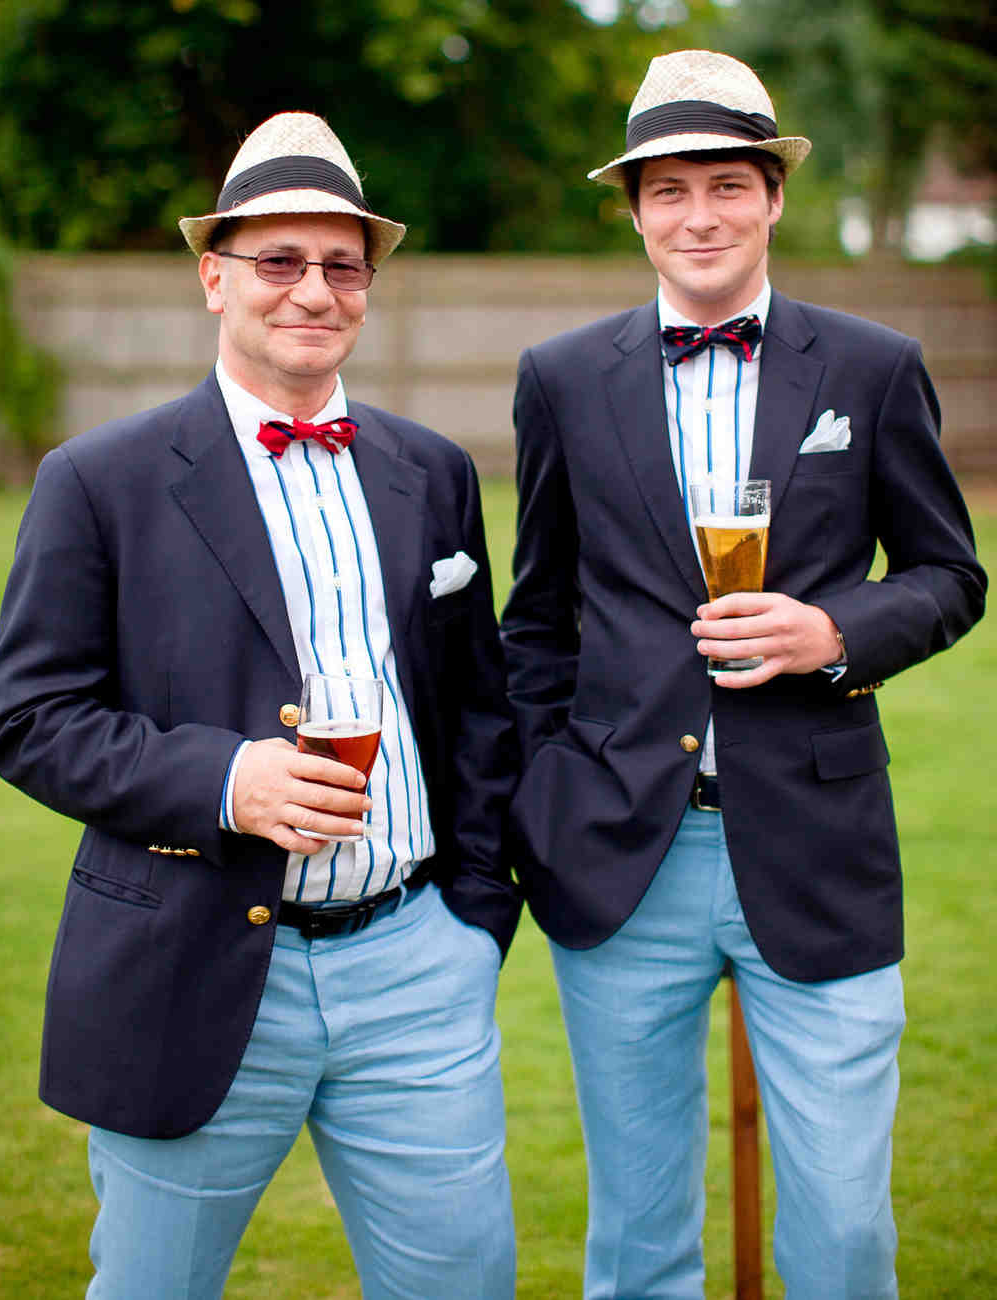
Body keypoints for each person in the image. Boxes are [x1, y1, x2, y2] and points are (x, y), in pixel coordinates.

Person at [0, 111, 521, 1300]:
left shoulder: (431, 472)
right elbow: (27, 717)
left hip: (412, 968)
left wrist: (472, 920)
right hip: (191, 958)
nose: (312, 291)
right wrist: (228, 779)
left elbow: (480, 710)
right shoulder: (98, 480)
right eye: (279, 260)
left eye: (341, 265)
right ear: (214, 276)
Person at [500, 48, 986, 1300]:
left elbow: (947, 575)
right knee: (637, 1237)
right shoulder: (559, 378)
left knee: (839, 1230)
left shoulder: (871, 367)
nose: (698, 215)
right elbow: (537, 617)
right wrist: (551, 792)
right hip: (620, 854)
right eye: (667, 190)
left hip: (816, 842)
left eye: (726, 183)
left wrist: (832, 634)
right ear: (633, 210)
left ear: (772, 195)